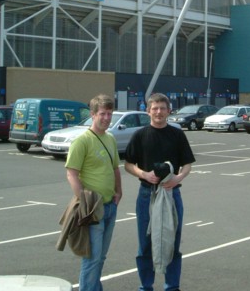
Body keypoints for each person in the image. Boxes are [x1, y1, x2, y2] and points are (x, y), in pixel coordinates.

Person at [125, 93, 195, 291]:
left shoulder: (177, 134)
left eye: (162, 108)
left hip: (172, 195)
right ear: (148, 111)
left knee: (172, 242)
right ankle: (146, 286)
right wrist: (144, 174)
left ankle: (172, 286)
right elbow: (128, 164)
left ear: (168, 111)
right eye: (154, 108)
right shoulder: (140, 135)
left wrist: (177, 178)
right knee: (145, 245)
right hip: (147, 194)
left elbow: (187, 164)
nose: (158, 112)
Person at [65, 94, 122, 291]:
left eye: (109, 114)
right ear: (92, 115)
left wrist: (118, 191)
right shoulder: (82, 141)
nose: (107, 118)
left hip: (110, 206)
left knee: (101, 256)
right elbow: (72, 174)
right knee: (91, 257)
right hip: (93, 208)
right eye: (102, 114)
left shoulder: (110, 139)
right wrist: (84, 202)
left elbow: (115, 168)